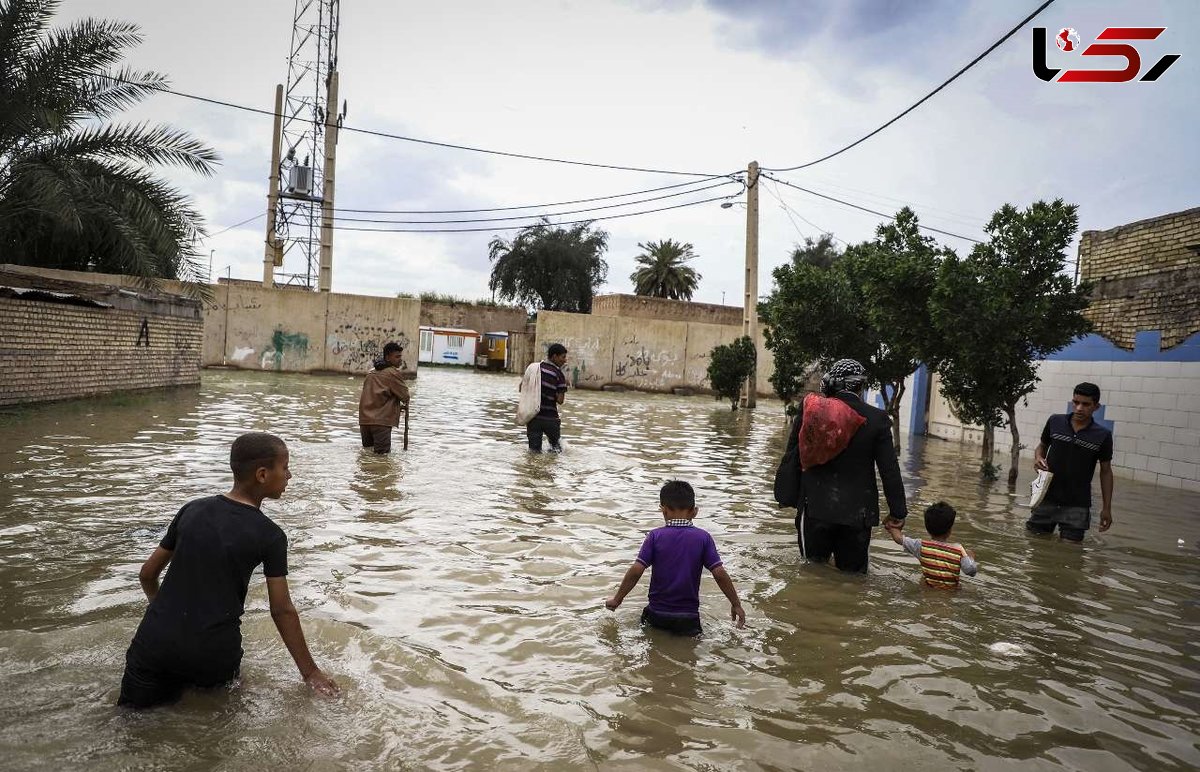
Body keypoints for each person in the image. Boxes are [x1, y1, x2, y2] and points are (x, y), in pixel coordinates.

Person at [118, 433, 338, 708]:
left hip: (153, 644)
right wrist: (311, 673)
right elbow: (281, 610)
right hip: (211, 654)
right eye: (285, 467)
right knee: (211, 739)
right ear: (262, 474)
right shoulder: (270, 536)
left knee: (129, 727)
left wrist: (163, 615)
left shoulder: (192, 510)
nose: (289, 476)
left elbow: (147, 574)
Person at [782, 358, 907, 573]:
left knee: (811, 573)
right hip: (857, 516)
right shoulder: (877, 419)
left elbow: (793, 455)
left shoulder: (811, 411)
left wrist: (788, 495)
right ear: (861, 386)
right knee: (853, 580)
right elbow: (890, 471)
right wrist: (898, 512)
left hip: (815, 509)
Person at [605, 481, 745, 636]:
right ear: (695, 512)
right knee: (689, 657)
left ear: (663, 510)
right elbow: (719, 573)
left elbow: (636, 570)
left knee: (653, 654)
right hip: (688, 617)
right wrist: (736, 604)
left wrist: (617, 599)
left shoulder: (655, 536)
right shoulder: (703, 538)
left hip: (657, 614)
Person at [1027, 382, 1114, 542]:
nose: (1079, 408)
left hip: (1077, 505)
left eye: (1086, 404)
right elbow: (1042, 446)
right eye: (1076, 402)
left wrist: (1106, 508)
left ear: (1096, 406)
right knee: (1035, 545)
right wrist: (1039, 458)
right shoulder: (1055, 421)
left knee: (1071, 554)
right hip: (1046, 498)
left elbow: (1106, 471)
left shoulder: (1103, 435)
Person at [883, 501, 978, 589]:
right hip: (950, 592)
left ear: (927, 529)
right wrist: (970, 557)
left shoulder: (921, 546)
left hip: (928, 589)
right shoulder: (958, 550)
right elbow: (970, 571)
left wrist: (892, 527)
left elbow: (899, 539)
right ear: (950, 530)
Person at [358, 341, 410, 454]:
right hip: (381, 422)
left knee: (367, 454)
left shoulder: (371, 372)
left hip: (365, 421)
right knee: (382, 459)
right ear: (387, 357)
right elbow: (405, 396)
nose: (400, 359)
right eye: (397, 357)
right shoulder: (392, 374)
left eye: (400, 356)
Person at [526, 342, 569, 453]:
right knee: (556, 451)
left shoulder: (535, 369)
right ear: (554, 356)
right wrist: (552, 392)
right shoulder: (559, 375)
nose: (565, 360)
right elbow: (560, 400)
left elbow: (523, 388)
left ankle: (532, 469)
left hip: (533, 417)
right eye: (563, 357)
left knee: (533, 453)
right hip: (551, 419)